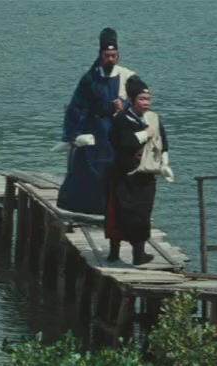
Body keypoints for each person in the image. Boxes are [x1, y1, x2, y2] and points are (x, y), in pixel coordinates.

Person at [54, 28, 138, 216]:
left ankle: (113, 210)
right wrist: (71, 136)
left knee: (115, 168)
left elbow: (141, 97)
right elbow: (76, 107)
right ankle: (88, 209)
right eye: (107, 56)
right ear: (101, 55)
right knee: (89, 171)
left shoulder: (126, 76)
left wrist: (124, 104)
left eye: (114, 56)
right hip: (95, 129)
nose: (110, 59)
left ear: (118, 56)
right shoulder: (90, 79)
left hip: (115, 129)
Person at [106, 75, 173, 265]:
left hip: (145, 175)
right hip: (124, 174)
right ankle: (113, 252)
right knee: (118, 212)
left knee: (142, 214)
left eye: (149, 99)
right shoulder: (121, 119)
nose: (146, 103)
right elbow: (121, 142)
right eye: (142, 99)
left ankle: (139, 254)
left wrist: (165, 164)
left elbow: (163, 143)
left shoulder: (153, 118)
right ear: (132, 100)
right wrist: (145, 134)